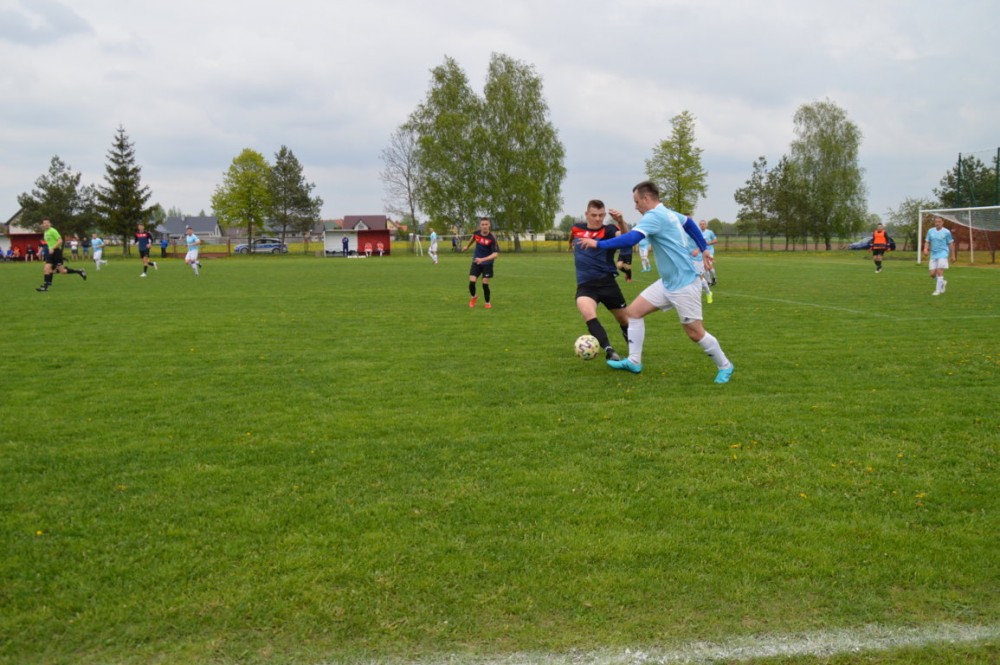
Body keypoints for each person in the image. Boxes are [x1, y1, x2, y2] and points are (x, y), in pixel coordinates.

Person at [577, 181, 734, 383]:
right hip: (667, 282)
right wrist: (703, 248)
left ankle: (725, 366)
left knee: (695, 333)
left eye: (636, 202)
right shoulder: (669, 213)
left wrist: (598, 244)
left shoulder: (654, 216)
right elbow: (688, 223)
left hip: (684, 284)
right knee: (633, 312)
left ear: (646, 198)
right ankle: (634, 361)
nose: (635, 206)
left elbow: (631, 239)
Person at [570, 200, 630, 361]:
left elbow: (627, 238)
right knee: (587, 313)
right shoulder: (577, 228)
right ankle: (609, 351)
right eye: (594, 215)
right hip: (586, 286)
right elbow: (573, 236)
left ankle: (631, 343)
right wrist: (571, 244)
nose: (598, 219)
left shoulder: (609, 230)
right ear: (586, 214)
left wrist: (621, 222)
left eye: (601, 215)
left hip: (607, 283)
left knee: (624, 319)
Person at [35, 219, 87, 291]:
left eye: (47, 223)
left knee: (62, 271)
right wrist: (40, 252)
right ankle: (45, 286)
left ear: (50, 224)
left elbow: (60, 241)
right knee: (46, 269)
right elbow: (47, 244)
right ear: (43, 225)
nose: (46, 224)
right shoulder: (45, 232)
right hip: (50, 253)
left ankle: (79, 271)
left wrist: (53, 248)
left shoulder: (53, 231)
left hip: (56, 252)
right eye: (44, 223)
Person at [464, 217, 499, 309]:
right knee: (472, 282)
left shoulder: (492, 238)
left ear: (489, 225)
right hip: (476, 261)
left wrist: (482, 259)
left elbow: (495, 254)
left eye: (486, 224)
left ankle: (487, 302)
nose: (484, 226)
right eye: (482, 224)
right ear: (480, 225)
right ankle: (473, 297)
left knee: (485, 284)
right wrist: (467, 246)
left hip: (487, 263)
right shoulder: (476, 233)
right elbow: (473, 238)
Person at [923, 216, 955, 296]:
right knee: (932, 274)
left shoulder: (946, 232)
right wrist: (925, 249)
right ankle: (942, 282)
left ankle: (938, 290)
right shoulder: (930, 231)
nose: (937, 223)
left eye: (939, 222)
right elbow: (927, 241)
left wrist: (953, 255)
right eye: (936, 222)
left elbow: (951, 244)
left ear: (942, 222)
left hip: (943, 253)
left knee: (939, 270)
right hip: (933, 254)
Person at [690, 239, 714, 304]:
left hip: (698, 260)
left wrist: (698, 250)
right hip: (688, 259)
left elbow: (704, 243)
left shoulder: (695, 234)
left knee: (699, 278)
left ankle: (708, 293)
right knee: (689, 278)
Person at [700, 219, 718, 285]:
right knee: (704, 267)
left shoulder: (710, 232)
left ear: (706, 225)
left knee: (709, 266)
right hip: (702, 252)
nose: (702, 225)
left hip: (710, 251)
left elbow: (715, 241)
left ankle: (714, 277)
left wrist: (708, 243)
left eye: (703, 224)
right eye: (701, 224)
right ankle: (709, 281)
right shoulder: (698, 232)